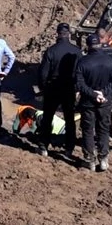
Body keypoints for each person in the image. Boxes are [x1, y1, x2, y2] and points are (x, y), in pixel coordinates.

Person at [74, 33, 112, 171]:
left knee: (88, 130)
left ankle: (90, 160)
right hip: (105, 101)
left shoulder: (83, 62)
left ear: (88, 46)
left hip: (88, 102)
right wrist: (104, 92)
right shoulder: (111, 60)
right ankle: (104, 158)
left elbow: (80, 84)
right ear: (100, 44)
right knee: (103, 128)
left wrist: (93, 94)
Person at [35, 22, 81, 157]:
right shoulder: (77, 51)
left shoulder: (51, 50)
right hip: (69, 88)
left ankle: (43, 146)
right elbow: (80, 72)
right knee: (69, 119)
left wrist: (43, 88)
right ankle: (69, 147)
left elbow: (43, 73)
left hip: (53, 88)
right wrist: (77, 88)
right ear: (69, 34)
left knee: (48, 117)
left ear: (58, 33)